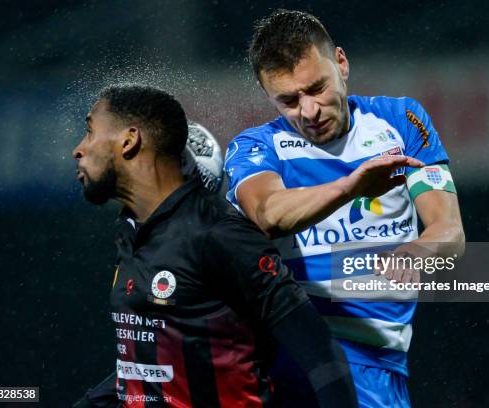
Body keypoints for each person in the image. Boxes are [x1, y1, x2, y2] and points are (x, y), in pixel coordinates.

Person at [225, 9, 465, 408]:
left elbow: (449, 232)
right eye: (288, 100)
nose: (309, 111)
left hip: (382, 366)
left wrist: (418, 251)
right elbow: (268, 213)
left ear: (341, 62)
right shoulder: (256, 147)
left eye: (316, 88)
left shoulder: (401, 121)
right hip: (297, 360)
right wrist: (352, 186)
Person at [71, 84, 357, 408]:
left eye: (90, 131)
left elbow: (318, 348)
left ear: (129, 140)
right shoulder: (133, 235)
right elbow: (151, 369)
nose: (78, 150)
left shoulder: (217, 235)